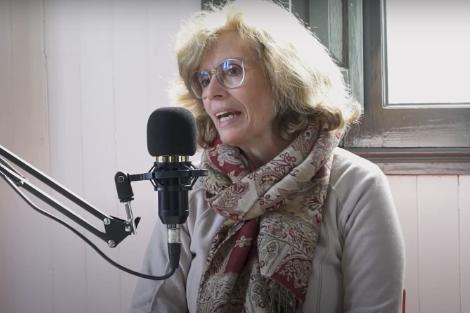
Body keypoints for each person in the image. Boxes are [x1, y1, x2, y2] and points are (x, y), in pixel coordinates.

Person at [130, 1, 405, 312]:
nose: (211, 92)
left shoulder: (357, 186)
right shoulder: (191, 188)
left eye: (231, 70)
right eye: (204, 79)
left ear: (283, 76)